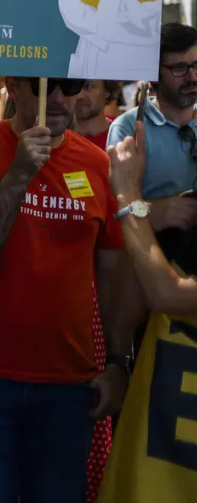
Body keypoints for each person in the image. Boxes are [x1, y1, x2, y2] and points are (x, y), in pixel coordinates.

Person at [0, 76, 128, 503]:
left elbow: (113, 278)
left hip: (66, 385)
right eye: (45, 87)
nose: (59, 98)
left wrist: (118, 363)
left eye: (71, 84)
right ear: (12, 85)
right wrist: (20, 171)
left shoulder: (97, 164)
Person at [99, 123, 197, 501]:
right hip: (151, 471)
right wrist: (149, 216)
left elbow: (166, 294)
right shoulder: (188, 212)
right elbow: (132, 290)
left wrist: (128, 195)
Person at [109, 24, 197, 234]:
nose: (192, 77)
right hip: (150, 256)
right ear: (154, 75)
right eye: (179, 69)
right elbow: (109, 211)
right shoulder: (128, 128)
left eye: (196, 66)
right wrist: (153, 211)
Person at [74, 80, 119, 150]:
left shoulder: (123, 131)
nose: (79, 96)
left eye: (89, 86)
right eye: (74, 87)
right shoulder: (56, 137)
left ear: (107, 91)